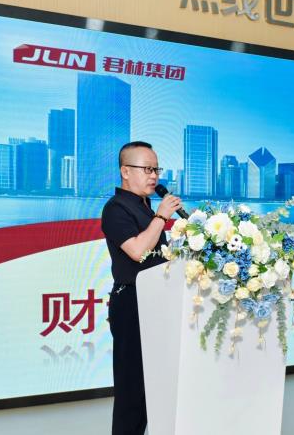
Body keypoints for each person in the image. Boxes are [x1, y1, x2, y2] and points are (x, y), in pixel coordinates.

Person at [101, 141, 183, 435]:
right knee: (132, 390)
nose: (154, 176)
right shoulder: (115, 208)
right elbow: (137, 251)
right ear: (126, 171)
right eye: (147, 169)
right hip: (132, 305)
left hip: (158, 301)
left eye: (156, 169)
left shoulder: (145, 207)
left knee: (155, 388)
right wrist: (161, 217)